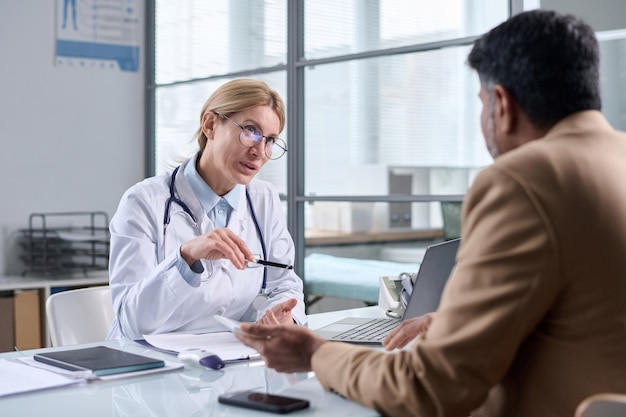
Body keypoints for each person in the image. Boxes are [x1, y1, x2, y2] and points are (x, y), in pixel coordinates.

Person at [235, 10, 626, 417]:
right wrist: (461, 323)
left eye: (481, 103)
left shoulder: (523, 181)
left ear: (502, 104)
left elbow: (428, 389)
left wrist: (317, 353)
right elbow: (588, 315)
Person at [107, 78, 305, 340]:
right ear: (210, 125)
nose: (260, 151)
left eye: (269, 140)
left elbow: (284, 283)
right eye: (250, 131)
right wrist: (186, 258)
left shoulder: (263, 198)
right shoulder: (144, 201)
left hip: (227, 362)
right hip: (149, 364)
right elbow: (132, 323)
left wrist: (281, 317)